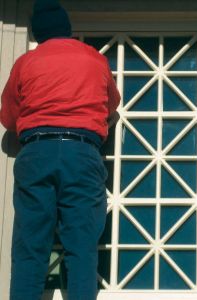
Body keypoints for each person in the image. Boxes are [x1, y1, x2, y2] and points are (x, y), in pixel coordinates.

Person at [0, 0, 120, 299]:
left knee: (30, 249)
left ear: (38, 33)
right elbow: (111, 105)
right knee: (81, 248)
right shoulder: (94, 60)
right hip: (82, 151)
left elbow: (9, 118)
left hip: (37, 152)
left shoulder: (27, 63)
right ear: (67, 30)